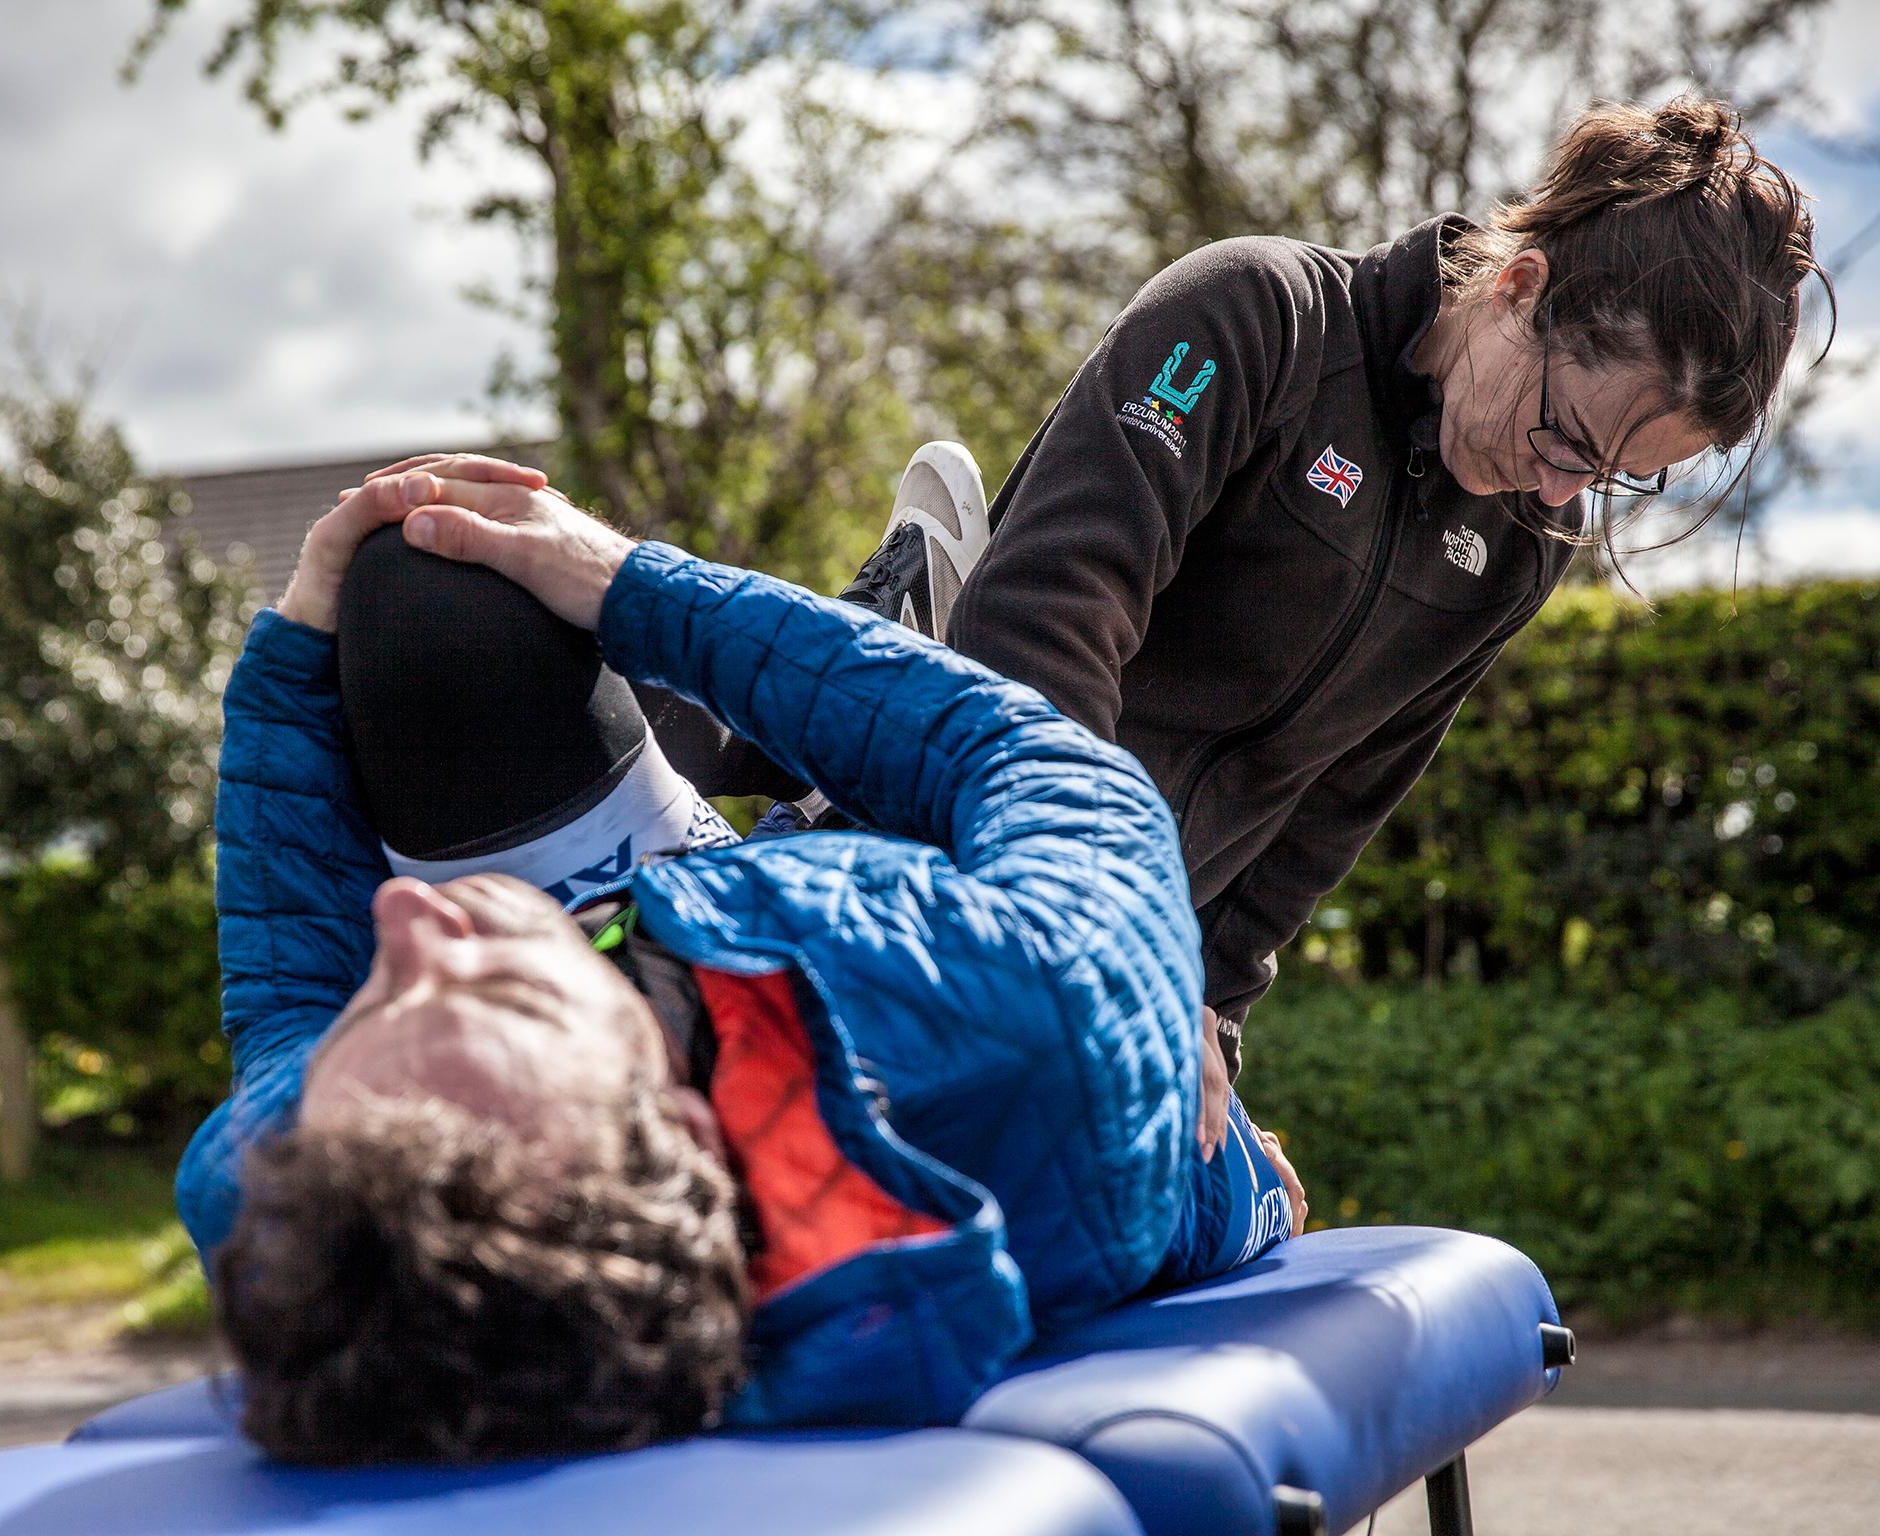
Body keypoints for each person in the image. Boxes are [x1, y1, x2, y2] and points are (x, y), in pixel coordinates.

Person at [641, 95, 1831, 1097]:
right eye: (1569, 435)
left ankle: (891, 647)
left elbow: (1337, 794)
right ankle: (861, 672)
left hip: (1114, 944)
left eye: (1618, 476)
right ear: (1519, 288)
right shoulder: (1257, 316)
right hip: (994, 843)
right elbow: (1055, 608)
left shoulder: (1520, 545)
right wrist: (1101, 924)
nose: (1563, 484)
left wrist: (1209, 1008)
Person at [176, 463, 1304, 1465]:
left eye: (380, 991)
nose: (414, 919)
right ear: (680, 1127)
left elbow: (285, 1014)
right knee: (943, 792)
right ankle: (865, 727)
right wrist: (632, 586)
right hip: (1007, 1011)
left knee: (411, 598)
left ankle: (785, 801)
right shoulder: (1034, 1007)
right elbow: (1029, 760)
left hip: (695, 941)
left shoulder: (282, 1189)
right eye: (503, 984)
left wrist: (294, 655)